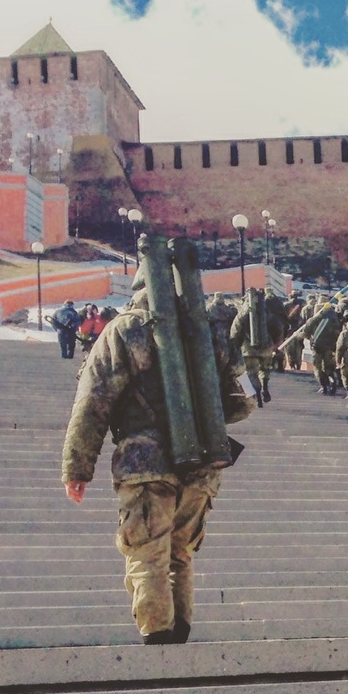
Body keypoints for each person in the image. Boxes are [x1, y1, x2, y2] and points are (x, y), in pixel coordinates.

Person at [60, 272, 254, 643]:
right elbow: (243, 400)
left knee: (147, 548)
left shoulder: (123, 330)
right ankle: (179, 630)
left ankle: (157, 636)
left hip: (143, 462)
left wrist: (77, 467)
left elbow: (92, 403)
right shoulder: (211, 330)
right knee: (181, 549)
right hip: (202, 462)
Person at [231, 287, 278, 406]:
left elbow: (236, 330)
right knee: (265, 369)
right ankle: (265, 387)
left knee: (251, 372)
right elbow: (276, 326)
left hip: (249, 349)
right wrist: (274, 343)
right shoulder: (266, 311)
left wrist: (235, 346)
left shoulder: (243, 312)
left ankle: (256, 392)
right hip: (267, 347)